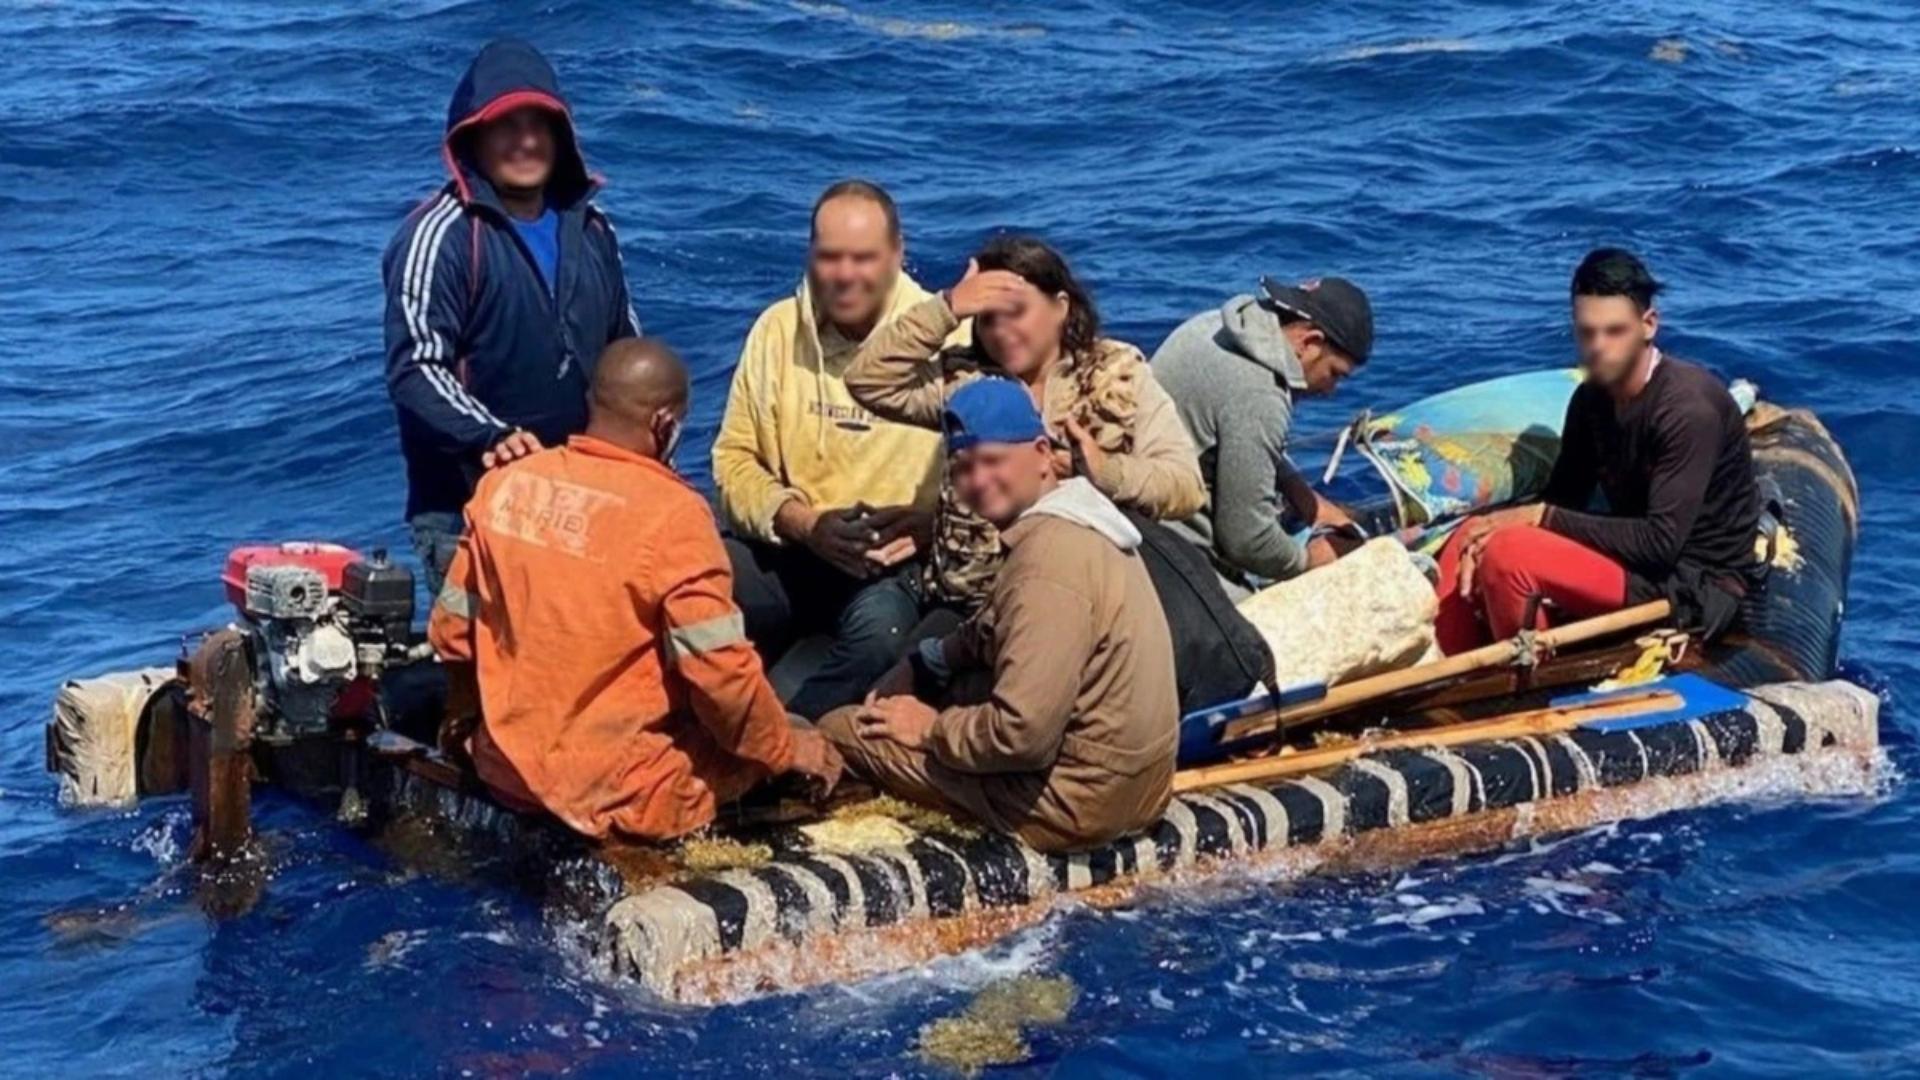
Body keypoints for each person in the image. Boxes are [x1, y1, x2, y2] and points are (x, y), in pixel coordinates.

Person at [427, 338, 842, 842]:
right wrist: (786, 748)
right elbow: (721, 678)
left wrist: (467, 721)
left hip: (503, 769)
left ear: (591, 404)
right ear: (665, 425)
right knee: (783, 735)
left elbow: (451, 631)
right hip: (615, 794)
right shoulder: (675, 516)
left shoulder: (507, 484)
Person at [820, 379, 1178, 853]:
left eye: (993, 461)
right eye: (963, 468)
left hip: (1074, 808)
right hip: (1140, 785)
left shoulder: (1045, 568)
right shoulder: (1083, 519)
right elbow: (998, 626)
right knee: (957, 685)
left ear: (1042, 452)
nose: (977, 481)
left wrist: (927, 729)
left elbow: (1022, 737)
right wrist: (927, 662)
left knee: (844, 727)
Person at [383, 38, 641, 592]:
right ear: (473, 135)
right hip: (470, 506)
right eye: (506, 126)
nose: (525, 141)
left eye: (538, 125)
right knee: (492, 669)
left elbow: (625, 348)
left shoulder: (592, 229)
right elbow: (416, 367)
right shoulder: (440, 236)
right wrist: (489, 435)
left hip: (584, 500)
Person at [845, 234, 1206, 608]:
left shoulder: (1119, 373)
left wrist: (1107, 473)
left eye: (1015, 312)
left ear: (1061, 306)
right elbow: (867, 380)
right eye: (987, 319)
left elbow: (1186, 487)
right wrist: (949, 306)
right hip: (973, 603)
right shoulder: (962, 381)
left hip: (1085, 600)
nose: (1001, 331)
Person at [1433, 249, 1760, 653]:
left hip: (1692, 580)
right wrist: (1504, 524)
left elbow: (1660, 543)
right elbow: (1564, 497)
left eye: (1614, 331)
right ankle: (1445, 667)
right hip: (1633, 562)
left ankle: (1524, 681)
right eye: (1587, 333)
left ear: (1649, 325)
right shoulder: (1591, 400)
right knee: (1473, 533)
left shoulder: (1687, 409)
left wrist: (1539, 518)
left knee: (1508, 553)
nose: (1599, 347)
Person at [712, 181, 955, 718]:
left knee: (881, 639)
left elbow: (1000, 481)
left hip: (894, 563)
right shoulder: (777, 330)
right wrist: (802, 522)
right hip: (795, 544)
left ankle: (788, 747)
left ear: (898, 254)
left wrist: (926, 525)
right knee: (694, 583)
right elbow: (733, 461)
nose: (845, 275)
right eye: (829, 257)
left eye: (863, 258)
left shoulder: (950, 341)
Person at [1153, 275, 1374, 598]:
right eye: (1335, 374)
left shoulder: (1215, 326)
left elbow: (1230, 434)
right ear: (1310, 343)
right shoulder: (1260, 394)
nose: (1331, 390)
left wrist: (1302, 494)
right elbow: (1247, 540)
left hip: (1131, 519)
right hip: (1170, 559)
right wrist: (1311, 560)